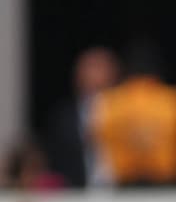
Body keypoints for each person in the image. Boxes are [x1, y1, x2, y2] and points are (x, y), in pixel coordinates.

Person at [91, 40, 176, 187]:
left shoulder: (110, 101)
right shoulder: (174, 99)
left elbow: (98, 138)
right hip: (166, 183)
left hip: (123, 185)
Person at [43, 46, 119, 189]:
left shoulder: (127, 112)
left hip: (126, 196)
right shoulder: (63, 118)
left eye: (101, 67)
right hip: (77, 196)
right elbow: (56, 162)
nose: (95, 74)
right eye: (91, 67)